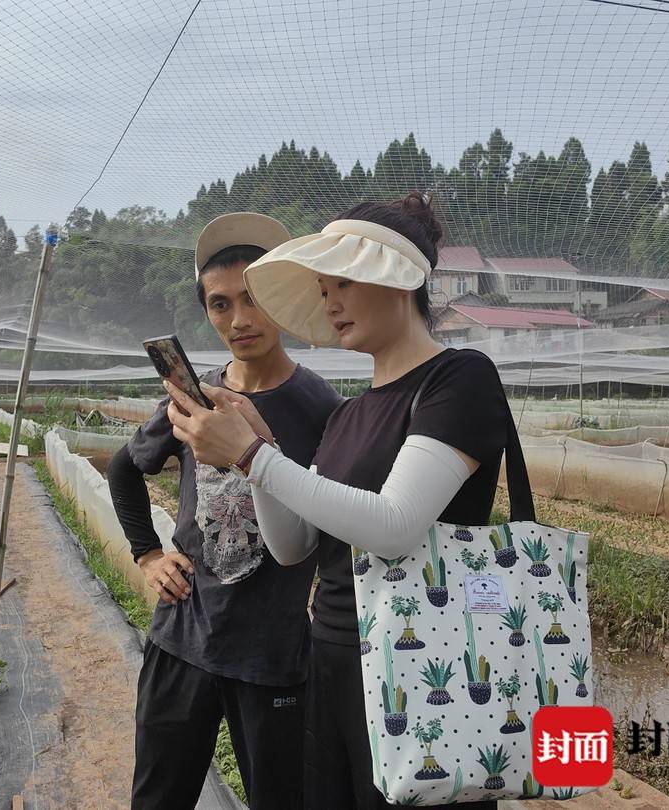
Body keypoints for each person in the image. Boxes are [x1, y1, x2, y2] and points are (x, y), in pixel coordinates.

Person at [163, 193, 511, 810]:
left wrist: (253, 457)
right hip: (331, 658)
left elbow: (396, 525)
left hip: (417, 660)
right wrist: (264, 450)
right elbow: (293, 544)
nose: (330, 303)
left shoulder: (456, 380)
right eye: (323, 289)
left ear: (396, 279)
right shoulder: (349, 413)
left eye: (343, 282)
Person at [107, 212, 342, 810]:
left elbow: (341, 519)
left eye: (255, 298)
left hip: (272, 652)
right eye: (220, 304)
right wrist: (148, 553)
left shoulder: (322, 408)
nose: (239, 320)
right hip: (183, 634)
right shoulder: (194, 395)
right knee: (158, 796)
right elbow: (123, 469)